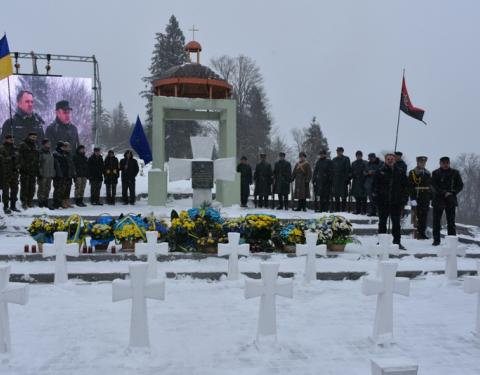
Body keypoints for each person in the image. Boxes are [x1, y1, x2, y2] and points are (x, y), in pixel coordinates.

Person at [373, 153, 409, 250]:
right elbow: (375, 187)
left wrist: (403, 200)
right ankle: (381, 242)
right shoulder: (379, 171)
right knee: (382, 223)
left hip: (396, 202)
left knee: (396, 223)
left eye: (392, 159)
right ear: (385, 160)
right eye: (388, 159)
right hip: (383, 202)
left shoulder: (400, 172)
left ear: (395, 160)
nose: (390, 160)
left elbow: (406, 188)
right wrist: (376, 198)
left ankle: (397, 242)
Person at [431, 156, 464, 246]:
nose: (445, 165)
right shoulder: (435, 173)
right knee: (436, 222)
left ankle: (452, 241)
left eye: (447, 163)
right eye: (443, 163)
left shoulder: (455, 173)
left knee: (451, 222)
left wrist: (452, 192)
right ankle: (436, 240)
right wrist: (444, 192)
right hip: (438, 199)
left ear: (449, 163)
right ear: (440, 164)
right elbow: (433, 186)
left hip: (451, 199)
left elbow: (460, 185)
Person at [408, 156, 432, 240]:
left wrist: (431, 197)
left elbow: (430, 186)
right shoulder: (413, 173)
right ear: (417, 163)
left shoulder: (428, 173)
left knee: (424, 216)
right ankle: (417, 233)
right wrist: (413, 199)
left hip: (425, 197)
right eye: (421, 162)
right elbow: (410, 187)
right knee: (417, 216)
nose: (423, 164)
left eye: (424, 162)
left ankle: (422, 233)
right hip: (417, 196)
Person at [18, 132, 39, 209]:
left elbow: (37, 157)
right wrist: (23, 166)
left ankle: (29, 201)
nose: (34, 138)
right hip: (25, 170)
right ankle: (24, 202)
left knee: (32, 187)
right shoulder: (23, 145)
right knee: (24, 187)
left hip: (33, 170)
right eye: (33, 137)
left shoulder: (35, 145)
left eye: (35, 137)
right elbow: (20, 157)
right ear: (29, 137)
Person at [0, 135, 20, 213]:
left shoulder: (15, 149)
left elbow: (20, 160)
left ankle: (13, 205)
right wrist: (10, 158)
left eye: (13, 139)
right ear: (6, 139)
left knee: (15, 189)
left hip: (14, 173)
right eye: (10, 139)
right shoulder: (2, 148)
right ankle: (5, 206)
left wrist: (18, 165)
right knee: (5, 190)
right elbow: (2, 159)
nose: (12, 140)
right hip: (5, 173)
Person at [331, 147, 351, 212]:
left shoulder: (346, 159)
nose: (338, 152)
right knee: (336, 196)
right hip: (335, 180)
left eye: (340, 151)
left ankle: (343, 210)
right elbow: (332, 170)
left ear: (342, 152)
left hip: (343, 180)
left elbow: (348, 169)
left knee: (343, 196)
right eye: (337, 151)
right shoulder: (334, 159)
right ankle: (337, 210)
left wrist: (347, 179)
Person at [37, 139, 55, 209]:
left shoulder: (50, 152)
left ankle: (45, 201)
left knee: (48, 188)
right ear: (44, 144)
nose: (49, 144)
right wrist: (40, 173)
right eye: (48, 143)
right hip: (43, 174)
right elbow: (39, 163)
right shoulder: (40, 152)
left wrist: (53, 172)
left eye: (49, 143)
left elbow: (52, 163)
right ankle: (41, 202)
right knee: (42, 188)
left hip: (49, 174)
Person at [52, 141, 70, 209]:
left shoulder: (63, 154)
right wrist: (58, 174)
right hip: (58, 175)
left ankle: (60, 203)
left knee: (62, 189)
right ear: (60, 147)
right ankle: (56, 203)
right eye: (62, 146)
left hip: (64, 174)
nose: (63, 148)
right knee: (57, 189)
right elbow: (56, 165)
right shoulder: (55, 154)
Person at [351, 150, 368, 215]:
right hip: (356, 182)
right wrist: (351, 174)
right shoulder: (353, 163)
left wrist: (364, 174)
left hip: (363, 182)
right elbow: (352, 171)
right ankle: (357, 210)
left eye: (359, 155)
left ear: (361, 156)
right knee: (357, 197)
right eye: (357, 155)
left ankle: (364, 210)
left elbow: (366, 171)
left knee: (363, 197)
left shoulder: (365, 162)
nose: (358, 156)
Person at [63, 142, 75, 208]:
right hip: (65, 174)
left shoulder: (70, 154)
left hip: (69, 174)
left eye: (69, 147)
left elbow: (72, 164)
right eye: (67, 147)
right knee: (64, 189)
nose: (68, 148)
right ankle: (63, 202)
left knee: (68, 189)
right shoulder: (62, 154)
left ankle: (67, 202)